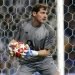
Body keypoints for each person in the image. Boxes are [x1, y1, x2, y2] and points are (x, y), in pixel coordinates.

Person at [9, 4, 59, 75]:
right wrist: (11, 47)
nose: (45, 16)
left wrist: (31, 52)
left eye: (46, 13)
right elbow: (14, 41)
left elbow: (46, 52)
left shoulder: (49, 30)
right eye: (42, 13)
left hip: (44, 61)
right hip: (27, 62)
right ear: (34, 13)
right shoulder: (23, 24)